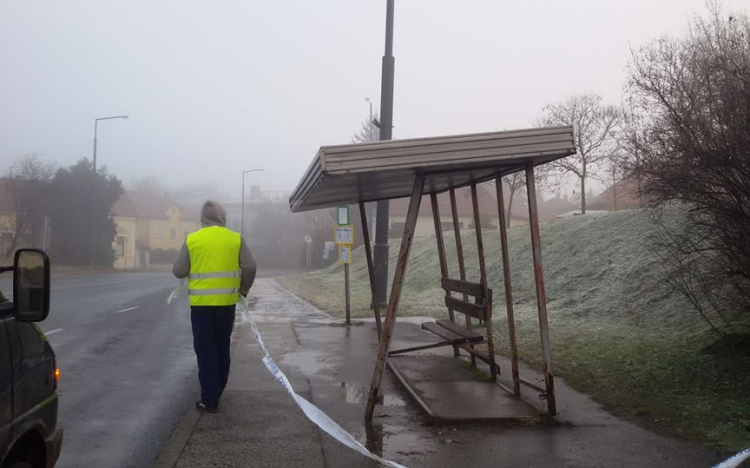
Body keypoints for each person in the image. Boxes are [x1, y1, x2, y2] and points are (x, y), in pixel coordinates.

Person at [173, 200, 257, 413]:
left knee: (205, 351)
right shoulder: (235, 238)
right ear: (222, 217)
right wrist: (243, 290)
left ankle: (210, 400)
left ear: (202, 218)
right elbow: (250, 266)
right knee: (222, 347)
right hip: (226, 306)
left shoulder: (193, 240)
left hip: (201, 307)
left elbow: (179, 271)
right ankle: (217, 390)